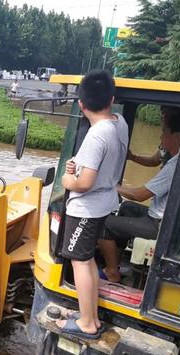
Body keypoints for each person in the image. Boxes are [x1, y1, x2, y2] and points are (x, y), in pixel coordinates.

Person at [55, 70, 128, 339]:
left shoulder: (96, 135)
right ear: (111, 99)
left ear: (81, 104)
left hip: (85, 207)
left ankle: (87, 323)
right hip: (105, 202)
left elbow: (84, 183)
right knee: (86, 261)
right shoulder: (119, 123)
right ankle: (91, 317)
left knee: (80, 263)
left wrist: (66, 178)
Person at [97, 107, 180, 283]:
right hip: (163, 217)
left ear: (177, 137)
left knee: (102, 223)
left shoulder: (176, 165)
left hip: (160, 225)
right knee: (126, 208)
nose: (160, 137)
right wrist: (131, 157)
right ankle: (115, 262)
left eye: (163, 132)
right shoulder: (176, 156)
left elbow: (139, 195)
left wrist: (110, 186)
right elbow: (155, 159)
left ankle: (111, 272)